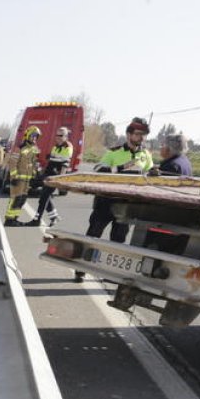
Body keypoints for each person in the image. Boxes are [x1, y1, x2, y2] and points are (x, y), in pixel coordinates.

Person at [74, 116, 154, 282]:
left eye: (144, 135)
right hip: (106, 202)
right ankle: (81, 269)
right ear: (129, 134)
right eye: (139, 134)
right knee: (93, 235)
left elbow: (150, 175)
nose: (142, 138)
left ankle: (110, 274)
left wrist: (153, 173)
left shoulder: (145, 155)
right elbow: (97, 170)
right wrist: (121, 167)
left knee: (118, 241)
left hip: (128, 205)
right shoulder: (114, 152)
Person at [34, 126, 74, 226]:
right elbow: (51, 162)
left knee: (44, 198)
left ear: (66, 136)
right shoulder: (55, 147)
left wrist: (60, 180)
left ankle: (37, 219)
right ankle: (54, 217)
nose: (58, 137)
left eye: (60, 135)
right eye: (57, 135)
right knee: (43, 197)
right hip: (48, 175)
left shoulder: (67, 148)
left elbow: (64, 165)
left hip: (55, 177)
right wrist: (42, 172)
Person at [5, 125, 41, 226]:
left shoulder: (34, 149)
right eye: (33, 135)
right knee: (15, 199)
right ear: (28, 135)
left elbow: (33, 164)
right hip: (18, 180)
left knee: (22, 200)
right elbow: (12, 163)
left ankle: (15, 219)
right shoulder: (20, 148)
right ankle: (9, 220)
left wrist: (35, 175)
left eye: (36, 136)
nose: (34, 138)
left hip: (27, 181)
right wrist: (14, 177)